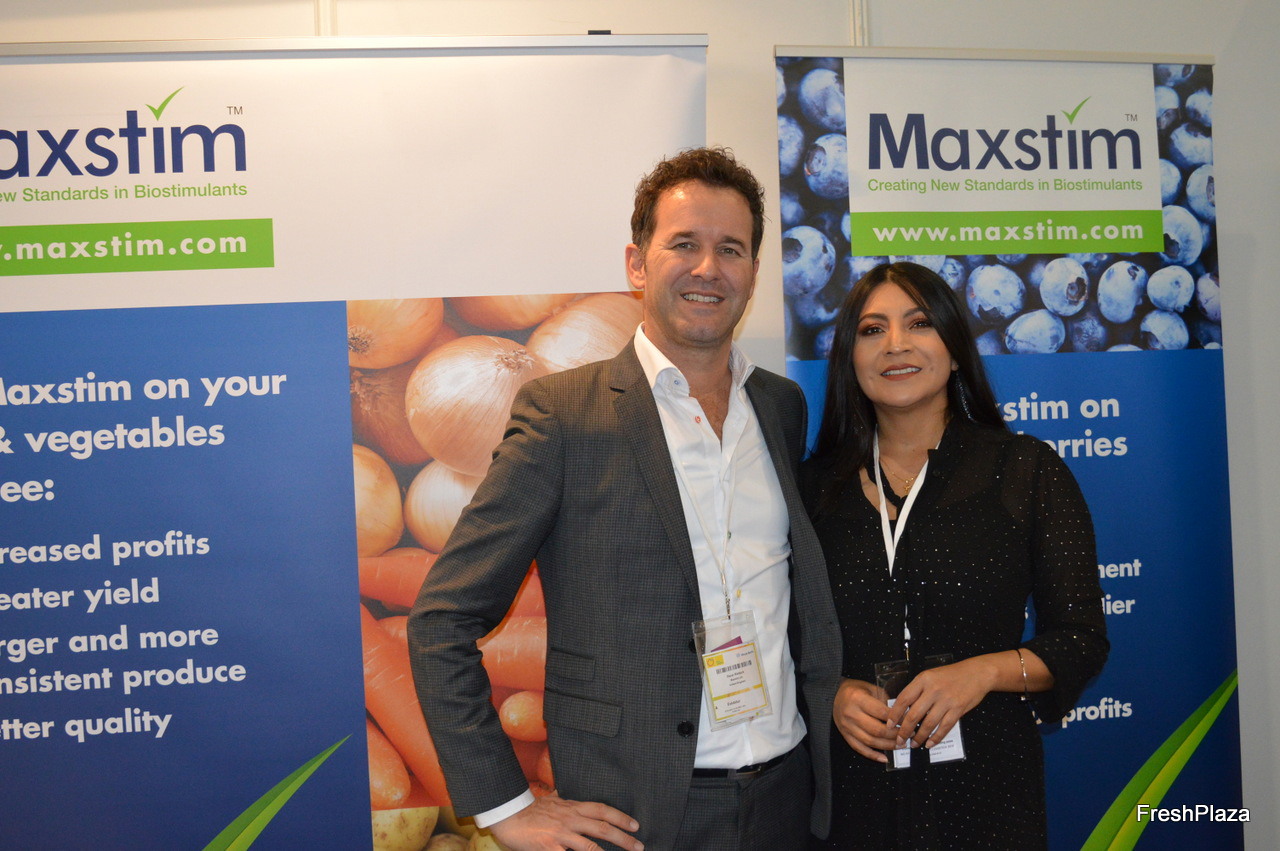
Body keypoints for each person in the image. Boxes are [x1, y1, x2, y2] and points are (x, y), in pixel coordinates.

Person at [408, 147, 842, 851]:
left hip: (787, 797)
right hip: (635, 813)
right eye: (684, 245)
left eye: (730, 249)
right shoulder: (562, 414)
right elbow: (442, 619)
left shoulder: (780, 406)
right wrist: (504, 805)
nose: (708, 268)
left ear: (755, 272)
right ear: (637, 265)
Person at [802, 261, 1109, 849]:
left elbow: (1081, 640)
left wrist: (981, 673)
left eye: (919, 323)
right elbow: (784, 639)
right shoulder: (812, 489)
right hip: (852, 793)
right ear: (849, 358)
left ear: (954, 348)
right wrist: (830, 693)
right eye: (872, 330)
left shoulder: (1025, 470)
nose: (895, 344)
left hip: (988, 791)